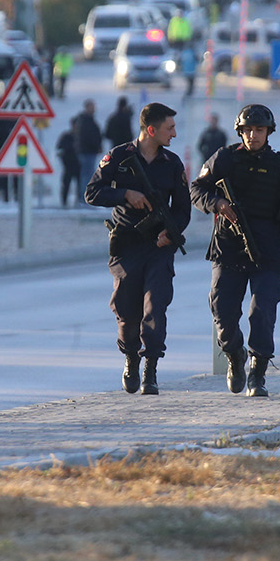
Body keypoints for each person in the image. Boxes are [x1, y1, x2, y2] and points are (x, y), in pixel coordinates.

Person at [189, 105, 280, 397]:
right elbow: (196, 189)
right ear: (240, 131)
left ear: (268, 132)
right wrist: (217, 204)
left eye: (259, 130)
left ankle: (257, 374)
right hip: (228, 247)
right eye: (247, 130)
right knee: (222, 312)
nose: (253, 135)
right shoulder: (223, 159)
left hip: (267, 250)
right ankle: (236, 356)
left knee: (262, 314)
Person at [84, 102, 191, 396]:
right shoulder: (118, 158)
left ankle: (151, 369)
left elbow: (183, 210)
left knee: (155, 307)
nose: (175, 133)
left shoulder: (172, 164)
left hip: (159, 247)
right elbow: (91, 193)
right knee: (127, 311)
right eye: (170, 128)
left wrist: (172, 233)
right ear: (152, 129)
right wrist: (124, 194)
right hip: (127, 246)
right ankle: (131, 356)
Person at [75, 100, 104, 184]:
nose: (94, 109)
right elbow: (87, 136)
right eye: (92, 107)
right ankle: (85, 195)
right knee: (87, 176)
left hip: (90, 151)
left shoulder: (89, 120)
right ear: (87, 107)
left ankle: (86, 194)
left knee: (88, 175)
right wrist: (95, 145)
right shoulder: (84, 121)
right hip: (86, 151)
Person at [56, 117, 83, 208]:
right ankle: (64, 202)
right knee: (66, 184)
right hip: (68, 164)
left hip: (79, 165)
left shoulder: (82, 136)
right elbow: (60, 147)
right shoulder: (67, 136)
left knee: (80, 184)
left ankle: (80, 201)